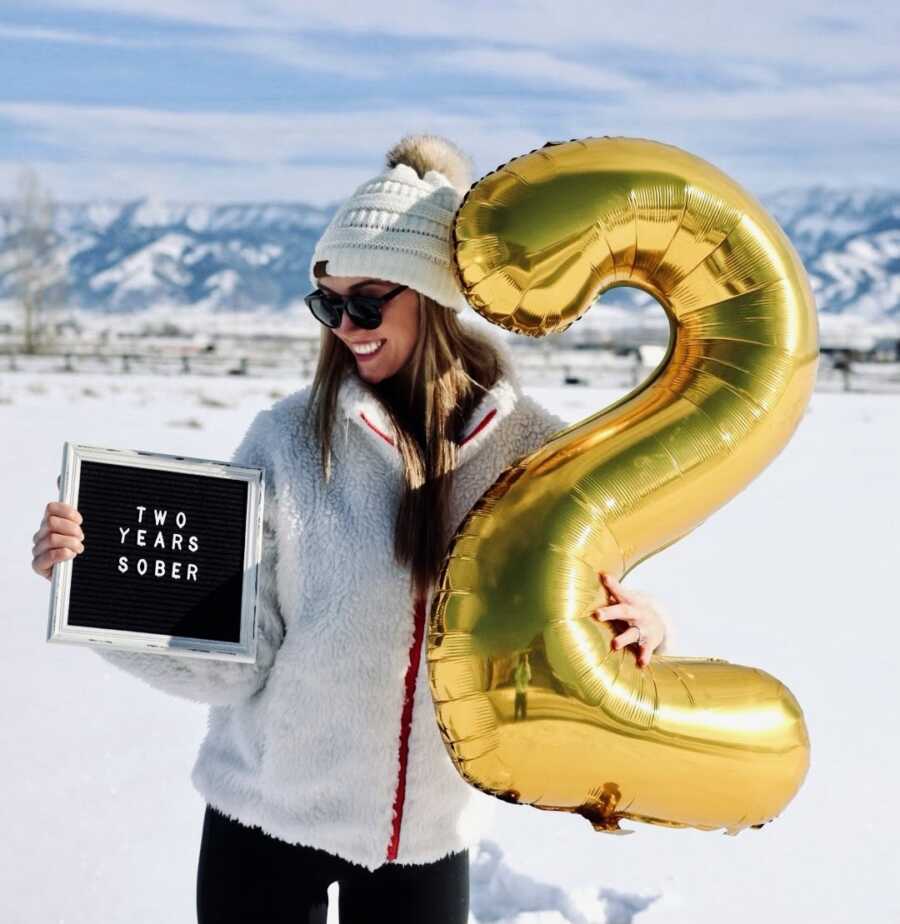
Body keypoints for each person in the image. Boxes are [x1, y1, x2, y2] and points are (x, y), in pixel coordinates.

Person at [30, 133, 674, 923]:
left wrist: (639, 625)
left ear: (433, 296)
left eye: (367, 301)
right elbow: (235, 658)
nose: (346, 326)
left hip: (428, 835)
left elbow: (573, 608)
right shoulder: (288, 440)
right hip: (266, 818)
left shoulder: (532, 454)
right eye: (327, 304)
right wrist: (94, 585)